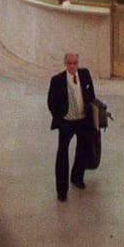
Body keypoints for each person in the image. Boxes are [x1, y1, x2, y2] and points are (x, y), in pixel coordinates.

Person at [46, 53, 96, 201]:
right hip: (67, 122)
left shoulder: (85, 75)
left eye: (75, 63)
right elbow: (51, 102)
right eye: (70, 63)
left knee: (83, 149)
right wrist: (60, 119)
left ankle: (77, 177)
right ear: (65, 64)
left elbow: (91, 95)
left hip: (82, 121)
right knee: (62, 153)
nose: (73, 66)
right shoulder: (57, 81)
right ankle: (62, 190)